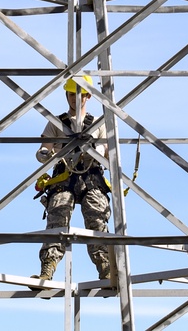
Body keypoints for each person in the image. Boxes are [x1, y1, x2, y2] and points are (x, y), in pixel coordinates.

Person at [32, 76, 112, 282]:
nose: (75, 99)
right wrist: (43, 153)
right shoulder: (57, 123)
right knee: (57, 219)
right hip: (63, 176)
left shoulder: (98, 123)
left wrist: (99, 149)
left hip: (91, 177)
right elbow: (45, 148)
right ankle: (47, 270)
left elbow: (108, 154)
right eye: (71, 95)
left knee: (97, 219)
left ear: (88, 96)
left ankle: (106, 270)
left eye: (79, 95)